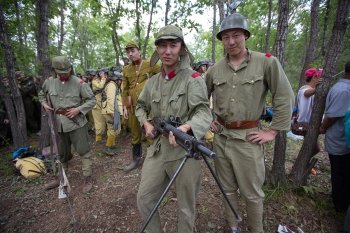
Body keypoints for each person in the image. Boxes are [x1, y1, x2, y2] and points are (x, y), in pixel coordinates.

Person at [205, 13, 294, 233]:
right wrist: (208, 119)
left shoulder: (266, 62)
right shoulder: (215, 69)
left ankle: (256, 230)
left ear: (245, 35)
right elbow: (198, 98)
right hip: (222, 138)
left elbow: (284, 95)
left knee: (252, 193)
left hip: (248, 139)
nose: (231, 41)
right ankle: (234, 227)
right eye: (226, 37)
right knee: (226, 189)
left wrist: (273, 131)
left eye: (236, 35)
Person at [135, 25, 212, 233]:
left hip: (184, 151)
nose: (167, 51)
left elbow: (204, 112)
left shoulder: (193, 79)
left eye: (173, 45)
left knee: (186, 207)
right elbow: (140, 106)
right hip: (159, 149)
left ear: (182, 48)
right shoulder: (152, 82)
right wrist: (146, 123)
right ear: (157, 49)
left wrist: (188, 126)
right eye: (162, 46)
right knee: (144, 199)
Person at [39, 56, 96, 193]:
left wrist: (78, 109)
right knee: (62, 153)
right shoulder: (49, 82)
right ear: (55, 71)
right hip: (58, 125)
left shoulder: (79, 83)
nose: (64, 75)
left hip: (77, 124)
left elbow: (92, 100)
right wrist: (44, 103)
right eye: (61, 73)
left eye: (66, 72)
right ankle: (61, 178)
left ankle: (87, 178)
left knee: (83, 151)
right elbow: (41, 94)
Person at [122, 41, 160, 172]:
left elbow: (163, 75)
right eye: (128, 52)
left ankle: (154, 158)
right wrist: (125, 107)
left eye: (133, 51)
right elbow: (125, 89)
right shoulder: (126, 69)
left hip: (148, 106)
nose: (130, 54)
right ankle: (136, 159)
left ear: (139, 51)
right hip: (132, 106)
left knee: (150, 131)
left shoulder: (150, 64)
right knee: (135, 133)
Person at [320, 61, 350, 213]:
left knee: (344, 173)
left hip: (343, 140)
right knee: (340, 173)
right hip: (339, 141)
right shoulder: (343, 90)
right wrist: (323, 128)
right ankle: (340, 205)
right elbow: (332, 116)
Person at [101, 70, 122, 155]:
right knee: (113, 129)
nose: (121, 82)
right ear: (117, 79)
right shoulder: (112, 85)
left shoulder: (111, 84)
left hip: (111, 110)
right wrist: (112, 113)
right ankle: (108, 148)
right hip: (111, 111)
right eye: (120, 80)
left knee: (112, 129)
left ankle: (112, 145)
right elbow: (110, 100)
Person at [91, 68, 107, 143]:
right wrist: (103, 77)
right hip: (96, 104)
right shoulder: (94, 81)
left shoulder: (99, 80)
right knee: (98, 121)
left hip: (101, 103)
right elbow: (100, 86)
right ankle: (98, 138)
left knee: (102, 120)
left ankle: (100, 136)